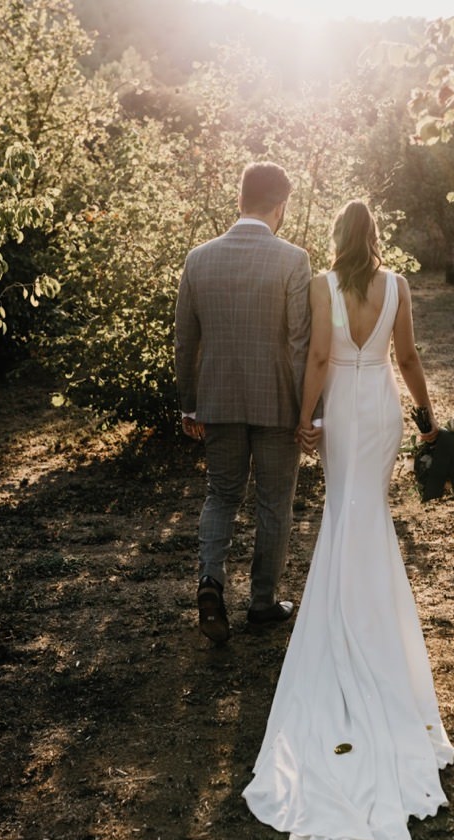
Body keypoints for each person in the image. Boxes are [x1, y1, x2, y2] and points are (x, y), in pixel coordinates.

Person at [243, 200, 454, 840]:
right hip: (381, 411)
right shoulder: (396, 286)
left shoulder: (322, 284)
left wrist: (305, 419)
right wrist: (426, 420)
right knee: (367, 514)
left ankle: (346, 616)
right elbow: (410, 357)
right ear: (378, 236)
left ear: (339, 237)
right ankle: (371, 617)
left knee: (345, 510)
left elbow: (316, 362)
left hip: (341, 407)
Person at [175, 162, 313, 643]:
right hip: (277, 402)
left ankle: (210, 581)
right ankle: (262, 603)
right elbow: (300, 341)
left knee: (221, 495)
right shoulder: (293, 260)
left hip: (218, 400)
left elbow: (184, 340)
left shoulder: (199, 258)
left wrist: (190, 403)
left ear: (240, 200)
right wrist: (306, 410)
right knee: (275, 504)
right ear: (280, 206)